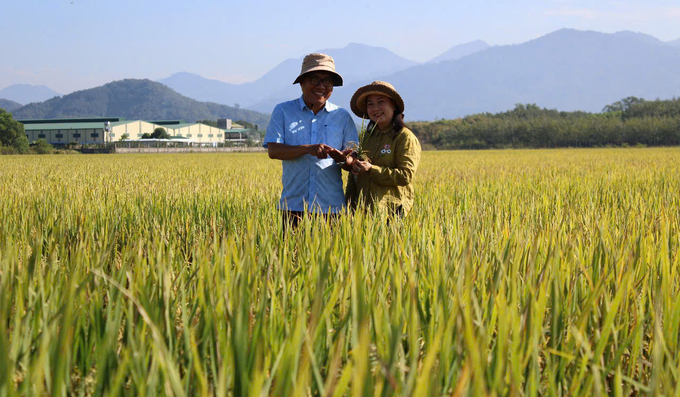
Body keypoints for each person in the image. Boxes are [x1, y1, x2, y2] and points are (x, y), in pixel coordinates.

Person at [263, 53, 358, 230]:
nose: (321, 86)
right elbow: (274, 151)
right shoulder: (283, 111)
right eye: (314, 80)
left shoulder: (342, 116)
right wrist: (307, 149)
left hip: (331, 209)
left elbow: (352, 162)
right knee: (290, 256)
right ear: (302, 83)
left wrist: (342, 158)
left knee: (332, 257)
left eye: (328, 81)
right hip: (293, 207)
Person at [346, 81, 421, 216]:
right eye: (370, 104)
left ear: (393, 105)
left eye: (381, 102)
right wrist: (348, 204)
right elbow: (354, 176)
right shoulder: (365, 137)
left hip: (392, 211)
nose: (376, 108)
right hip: (363, 212)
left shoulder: (404, 137)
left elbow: (405, 175)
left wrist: (371, 169)